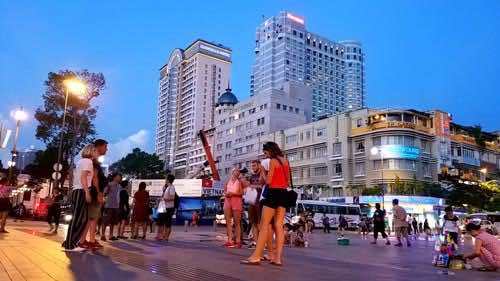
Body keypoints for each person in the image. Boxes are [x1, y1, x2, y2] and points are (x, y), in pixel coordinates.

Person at [242, 141, 290, 266]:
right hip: (284, 193)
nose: (266, 155)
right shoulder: (285, 161)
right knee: (279, 225)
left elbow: (267, 181)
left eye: (266, 153)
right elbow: (288, 181)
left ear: (270, 150)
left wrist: (263, 171)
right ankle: (278, 258)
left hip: (273, 193)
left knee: (264, 225)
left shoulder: (272, 162)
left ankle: (256, 256)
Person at [62, 144, 94, 251]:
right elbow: (83, 177)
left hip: (77, 190)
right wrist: (87, 192)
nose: (96, 153)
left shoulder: (81, 161)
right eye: (95, 151)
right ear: (91, 151)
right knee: (80, 219)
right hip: (81, 191)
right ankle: (70, 244)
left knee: (79, 218)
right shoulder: (88, 162)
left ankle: (69, 242)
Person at [246, 160, 266, 248]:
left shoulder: (262, 175)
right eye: (252, 166)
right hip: (252, 202)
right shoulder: (252, 176)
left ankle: (262, 243)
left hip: (259, 202)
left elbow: (264, 186)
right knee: (253, 223)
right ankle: (256, 242)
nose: (253, 167)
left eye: (254, 165)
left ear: (259, 166)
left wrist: (255, 186)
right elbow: (250, 186)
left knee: (260, 223)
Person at [222, 168, 244, 248]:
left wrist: (233, 194)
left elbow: (242, 193)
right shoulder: (227, 180)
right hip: (228, 201)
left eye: (238, 171)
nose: (237, 172)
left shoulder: (240, 181)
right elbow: (224, 190)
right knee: (228, 222)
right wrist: (226, 194)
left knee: (237, 222)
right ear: (232, 172)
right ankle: (230, 240)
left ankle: (238, 240)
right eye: (236, 171)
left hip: (236, 201)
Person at [102, 173, 122, 241]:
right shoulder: (109, 185)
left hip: (116, 206)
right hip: (109, 205)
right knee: (105, 221)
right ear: (114, 177)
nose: (120, 178)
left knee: (112, 222)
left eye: (120, 177)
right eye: (118, 176)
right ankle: (103, 235)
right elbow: (104, 193)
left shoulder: (119, 186)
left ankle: (111, 235)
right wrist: (105, 201)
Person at [156, 174, 176, 241]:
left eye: (166, 179)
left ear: (168, 179)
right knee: (160, 222)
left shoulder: (172, 187)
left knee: (167, 222)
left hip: (168, 207)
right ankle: (160, 235)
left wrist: (163, 199)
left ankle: (166, 237)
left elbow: (172, 198)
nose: (165, 180)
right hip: (163, 206)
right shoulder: (167, 187)